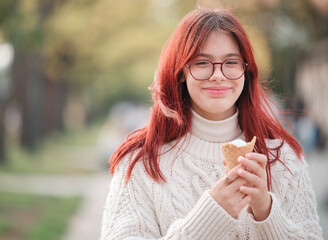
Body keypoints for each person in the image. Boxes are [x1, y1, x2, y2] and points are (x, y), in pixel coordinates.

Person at [100, 7, 323, 240]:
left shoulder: (284, 159)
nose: (218, 75)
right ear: (180, 73)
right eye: (202, 63)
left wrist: (265, 211)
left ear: (246, 72)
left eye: (231, 62)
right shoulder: (142, 163)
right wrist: (209, 218)